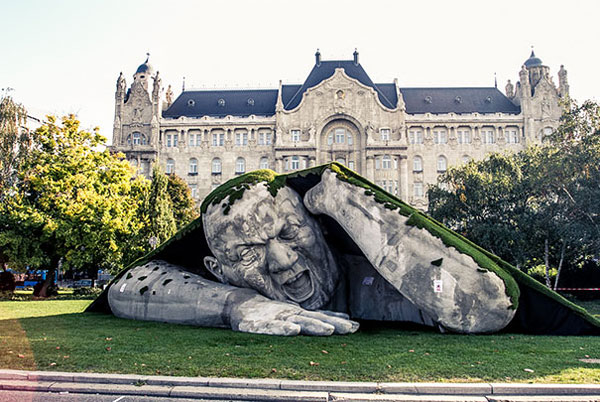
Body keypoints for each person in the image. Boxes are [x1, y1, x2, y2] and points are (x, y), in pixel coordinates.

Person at [96, 164, 600, 336]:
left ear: (317, 224)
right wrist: (234, 306)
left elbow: (492, 304)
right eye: (249, 251)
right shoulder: (222, 285)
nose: (284, 260)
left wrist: (351, 203)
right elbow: (127, 285)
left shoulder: (378, 275)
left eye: (291, 234)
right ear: (217, 269)